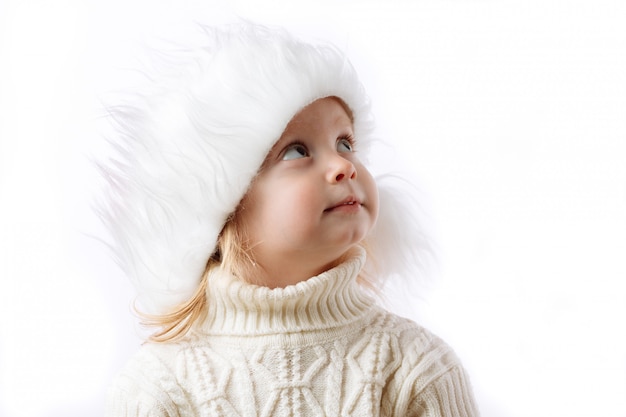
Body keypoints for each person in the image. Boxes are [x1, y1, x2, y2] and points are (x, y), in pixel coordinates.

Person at [101, 22, 479, 416]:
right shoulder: (160, 386)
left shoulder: (416, 370)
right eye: (297, 152)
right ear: (224, 209)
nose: (343, 166)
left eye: (345, 143)